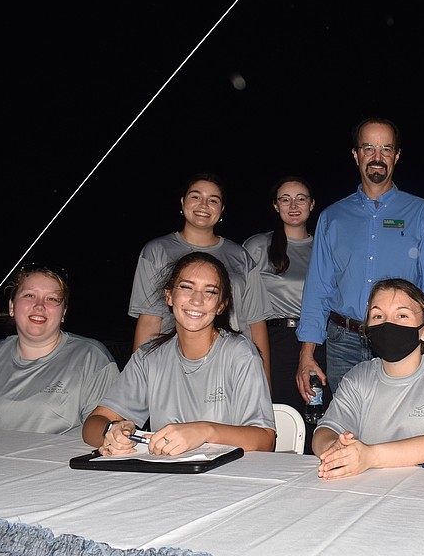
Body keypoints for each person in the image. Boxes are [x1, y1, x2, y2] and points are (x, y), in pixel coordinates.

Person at [296, 116, 424, 400]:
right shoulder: (332, 217)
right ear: (356, 154)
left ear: (397, 156)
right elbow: (318, 288)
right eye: (368, 148)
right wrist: (307, 353)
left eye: (386, 149)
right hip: (342, 341)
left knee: (399, 424)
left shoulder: (422, 213)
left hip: (403, 338)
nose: (377, 157)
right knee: (348, 428)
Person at [83, 251, 276, 455]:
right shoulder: (149, 356)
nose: (196, 300)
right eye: (186, 287)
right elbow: (92, 424)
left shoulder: (240, 353)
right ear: (169, 295)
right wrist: (111, 432)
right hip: (164, 475)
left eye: (210, 292)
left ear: (221, 306)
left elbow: (265, 439)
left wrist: (204, 431)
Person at [312, 278, 424, 480]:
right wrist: (334, 447)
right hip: (373, 491)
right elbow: (325, 430)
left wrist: (370, 456)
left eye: (402, 315)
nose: (388, 324)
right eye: (378, 316)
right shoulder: (358, 377)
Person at [128, 172, 273, 385]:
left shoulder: (240, 256)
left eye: (213, 200)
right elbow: (150, 320)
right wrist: (136, 382)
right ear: (182, 202)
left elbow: (256, 324)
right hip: (176, 365)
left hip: (233, 366)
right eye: (196, 196)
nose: (204, 205)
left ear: (221, 210)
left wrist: (264, 382)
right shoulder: (156, 251)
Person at [0, 263, 119, 434]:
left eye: (52, 298)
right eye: (29, 295)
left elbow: (106, 431)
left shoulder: (91, 358)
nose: (39, 305)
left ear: (63, 312)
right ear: (12, 307)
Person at [243, 176, 329, 452]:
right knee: (276, 413)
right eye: (285, 199)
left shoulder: (324, 247)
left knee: (315, 415)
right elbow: (241, 299)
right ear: (276, 206)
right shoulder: (257, 246)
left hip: (316, 342)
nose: (293, 205)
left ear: (312, 204)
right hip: (272, 341)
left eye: (301, 198)